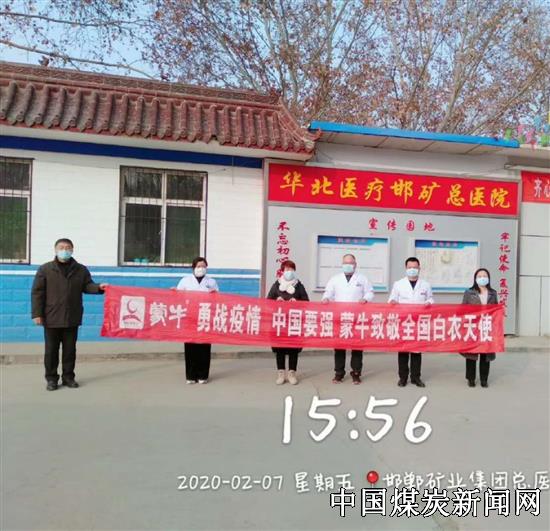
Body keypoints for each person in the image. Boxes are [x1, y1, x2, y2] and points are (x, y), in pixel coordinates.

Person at [31, 238, 108, 391]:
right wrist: (37, 314)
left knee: (70, 350)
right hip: (51, 316)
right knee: (51, 351)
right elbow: (37, 293)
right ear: (55, 250)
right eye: (61, 247)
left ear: (72, 250)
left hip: (72, 316)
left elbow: (87, 286)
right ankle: (51, 379)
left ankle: (68, 377)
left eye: (68, 247)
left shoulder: (80, 269)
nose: (64, 250)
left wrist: (99, 287)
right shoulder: (45, 269)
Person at [322, 254, 374, 384]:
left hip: (357, 317)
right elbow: (328, 292)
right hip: (340, 317)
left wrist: (365, 299)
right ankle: (339, 373)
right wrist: (326, 298)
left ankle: (356, 373)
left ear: (355, 265)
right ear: (342, 264)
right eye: (345, 263)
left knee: (357, 346)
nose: (348, 265)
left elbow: (370, 292)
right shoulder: (335, 279)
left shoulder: (362, 279)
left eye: (350, 263)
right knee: (339, 346)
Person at [388, 257, 433, 388]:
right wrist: (392, 302)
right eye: (410, 267)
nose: (412, 269)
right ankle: (402, 378)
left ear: (419, 268)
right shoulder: (398, 284)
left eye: (415, 267)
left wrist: (428, 303)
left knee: (417, 351)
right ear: (406, 268)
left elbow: (431, 299)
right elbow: (391, 299)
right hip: (404, 322)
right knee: (403, 350)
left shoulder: (425, 285)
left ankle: (416, 377)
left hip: (419, 322)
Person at [175, 257, 218, 384]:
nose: (201, 269)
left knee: (204, 347)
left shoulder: (211, 282)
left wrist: (215, 294)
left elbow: (218, 299)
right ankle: (190, 375)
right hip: (190, 316)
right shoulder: (185, 281)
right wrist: (174, 293)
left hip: (205, 316)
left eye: (203, 266)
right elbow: (178, 296)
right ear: (193, 267)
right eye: (199, 266)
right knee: (191, 347)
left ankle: (203, 375)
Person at [266, 260, 309, 385]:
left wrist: (297, 302)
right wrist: (276, 300)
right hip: (279, 322)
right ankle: (281, 373)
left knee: (293, 349)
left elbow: (306, 302)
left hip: (294, 322)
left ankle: (291, 373)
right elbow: (268, 301)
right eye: (286, 269)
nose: (289, 272)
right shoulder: (276, 285)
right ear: (282, 271)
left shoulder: (298, 285)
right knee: (279, 348)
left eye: (291, 269)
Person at [461, 268, 498, 388]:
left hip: (487, 326)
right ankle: (471, 378)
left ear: (488, 278)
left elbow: (495, 309)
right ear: (475, 279)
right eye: (480, 276)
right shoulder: (469, 292)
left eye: (485, 276)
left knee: (485, 354)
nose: (482, 278)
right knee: (471, 354)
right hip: (473, 326)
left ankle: (484, 379)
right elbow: (463, 309)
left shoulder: (493, 293)